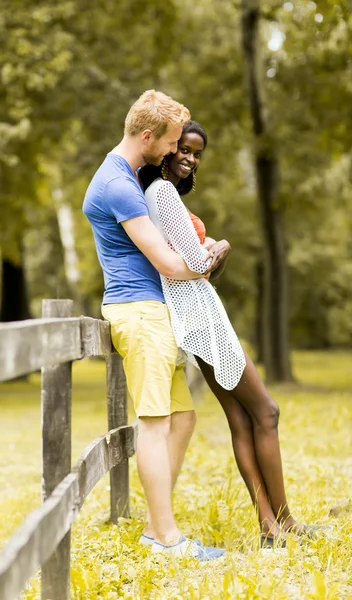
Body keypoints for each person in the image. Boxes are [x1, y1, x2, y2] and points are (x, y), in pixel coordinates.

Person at [140, 120, 327, 547]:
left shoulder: (154, 194)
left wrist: (211, 253)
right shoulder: (162, 193)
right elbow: (198, 264)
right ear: (166, 149)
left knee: (243, 418)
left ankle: (271, 527)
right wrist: (221, 247)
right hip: (199, 315)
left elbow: (194, 263)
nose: (190, 158)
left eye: (197, 153)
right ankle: (285, 520)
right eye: (183, 148)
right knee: (267, 411)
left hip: (195, 315)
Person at [82, 91, 225, 560]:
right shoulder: (117, 185)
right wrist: (206, 261)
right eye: (168, 142)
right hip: (140, 312)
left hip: (155, 312)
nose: (172, 152)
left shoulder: (125, 174)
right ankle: (165, 538)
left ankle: (154, 525)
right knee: (155, 423)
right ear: (147, 136)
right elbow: (168, 261)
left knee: (182, 418)